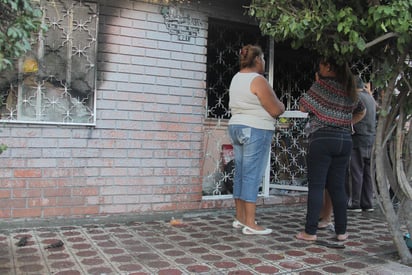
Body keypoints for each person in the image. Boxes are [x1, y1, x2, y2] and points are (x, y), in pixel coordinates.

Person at [296, 57, 366, 242]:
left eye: (320, 65)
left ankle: (310, 232)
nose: (318, 68)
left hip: (322, 138)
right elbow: (362, 110)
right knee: (338, 187)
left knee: (317, 186)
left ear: (328, 66)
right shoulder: (349, 87)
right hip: (344, 140)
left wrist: (317, 85)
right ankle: (341, 232)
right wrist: (345, 123)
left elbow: (303, 107)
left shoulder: (322, 86)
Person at [228, 44, 285, 235]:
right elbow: (276, 109)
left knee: (241, 173)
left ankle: (240, 217)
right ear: (258, 59)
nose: (264, 63)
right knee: (252, 174)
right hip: (255, 129)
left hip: (237, 127)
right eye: (263, 59)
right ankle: (251, 223)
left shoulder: (236, 78)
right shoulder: (257, 80)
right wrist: (283, 105)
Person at [347, 77, 377, 212]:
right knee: (368, 172)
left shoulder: (356, 98)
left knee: (356, 171)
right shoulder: (370, 98)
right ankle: (368, 202)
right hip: (370, 138)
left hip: (358, 138)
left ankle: (356, 203)